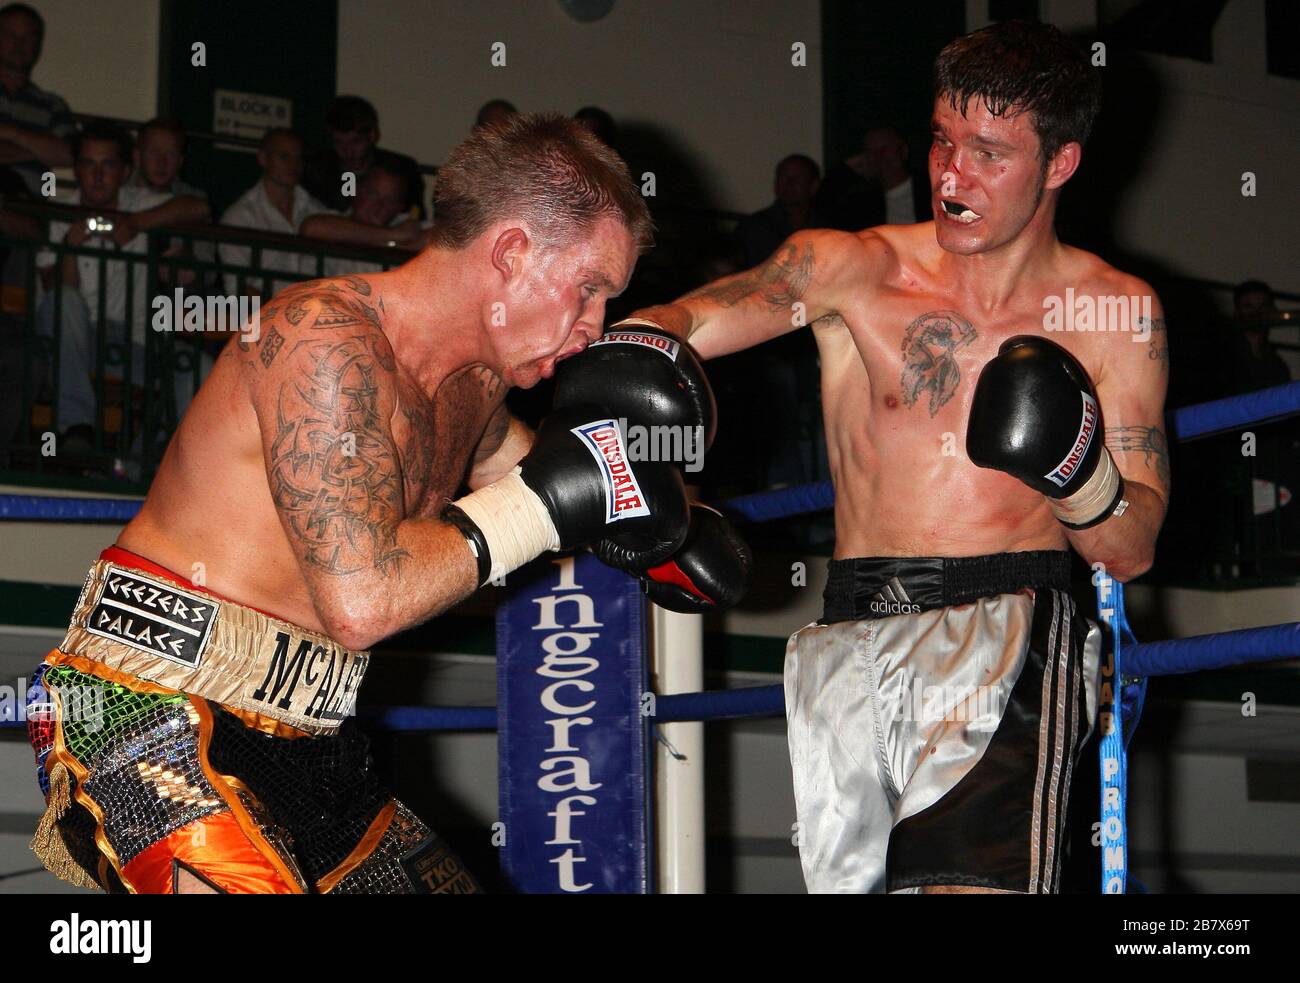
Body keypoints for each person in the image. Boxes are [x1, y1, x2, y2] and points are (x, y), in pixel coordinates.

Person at [26, 112, 742, 894]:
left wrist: (660, 529)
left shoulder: (476, 386)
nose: (595, 325)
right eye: (590, 288)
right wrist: (550, 500)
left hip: (316, 736)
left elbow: (562, 478)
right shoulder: (323, 342)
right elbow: (364, 597)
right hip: (151, 699)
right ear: (511, 252)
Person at [617, 20, 1170, 893]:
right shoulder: (850, 268)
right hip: (849, 634)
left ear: (1060, 164)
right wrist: (627, 366)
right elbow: (682, 324)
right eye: (944, 141)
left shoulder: (1117, 312)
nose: (952, 176)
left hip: (1010, 627)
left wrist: (1078, 470)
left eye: (990, 153)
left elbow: (1129, 544)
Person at [34, 122, 210, 452]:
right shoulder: (58, 206)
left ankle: (143, 467)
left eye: (108, 164)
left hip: (132, 343)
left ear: (125, 170)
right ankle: (77, 427)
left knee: (200, 370)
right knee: (64, 300)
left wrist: (133, 223)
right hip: (75, 342)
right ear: (77, 169)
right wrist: (71, 246)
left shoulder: (139, 202)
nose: (98, 175)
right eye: (88, 164)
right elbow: (54, 288)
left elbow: (198, 207)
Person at [218, 128, 328, 296]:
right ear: (263, 159)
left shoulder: (316, 210)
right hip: (263, 314)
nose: (293, 164)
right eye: (284, 157)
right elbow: (237, 286)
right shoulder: (241, 217)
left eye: (298, 158)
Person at [302, 95, 424, 218]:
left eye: (355, 142)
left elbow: (415, 215)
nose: (348, 151)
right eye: (339, 142)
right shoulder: (317, 169)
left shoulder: (401, 169)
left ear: (372, 136)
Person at [299, 159, 427, 273]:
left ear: (398, 207)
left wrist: (405, 237)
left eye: (389, 200)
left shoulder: (408, 225)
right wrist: (394, 236)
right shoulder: (332, 222)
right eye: (372, 193)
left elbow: (442, 236)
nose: (378, 205)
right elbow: (311, 228)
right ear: (357, 190)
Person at [0, 3, 73, 196]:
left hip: (31, 208)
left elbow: (70, 154)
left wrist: (10, 133)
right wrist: (38, 149)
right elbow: (54, 153)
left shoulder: (52, 105)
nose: (19, 44)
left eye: (28, 37)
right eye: (11, 36)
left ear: (38, 45)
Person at [817, 126, 930, 231]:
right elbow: (823, 206)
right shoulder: (862, 201)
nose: (879, 156)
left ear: (903, 151)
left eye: (885, 149)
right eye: (872, 151)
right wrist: (845, 170)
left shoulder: (929, 190)